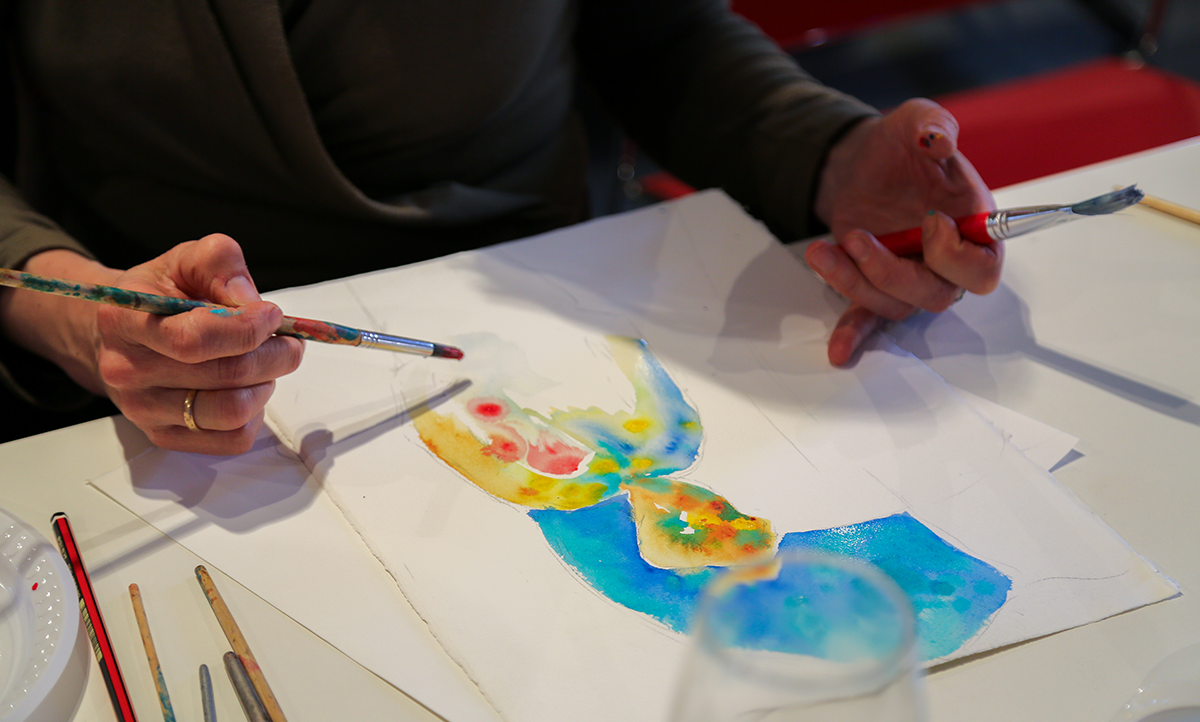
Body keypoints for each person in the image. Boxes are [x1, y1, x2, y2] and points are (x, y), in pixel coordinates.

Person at [0, 0, 1002, 455]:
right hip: (140, 366)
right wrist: (65, 306)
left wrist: (824, 157)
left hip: (563, 302)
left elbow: (652, 34)